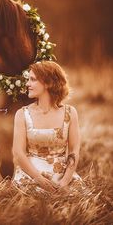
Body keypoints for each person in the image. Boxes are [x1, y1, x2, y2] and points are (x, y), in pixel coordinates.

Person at [12, 61, 85, 195]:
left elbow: (74, 150)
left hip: (61, 174)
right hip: (31, 174)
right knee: (36, 199)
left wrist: (65, 180)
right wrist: (39, 179)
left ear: (49, 83)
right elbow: (18, 153)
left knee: (74, 198)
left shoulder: (70, 113)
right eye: (28, 79)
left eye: (32, 80)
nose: (27, 84)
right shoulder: (22, 114)